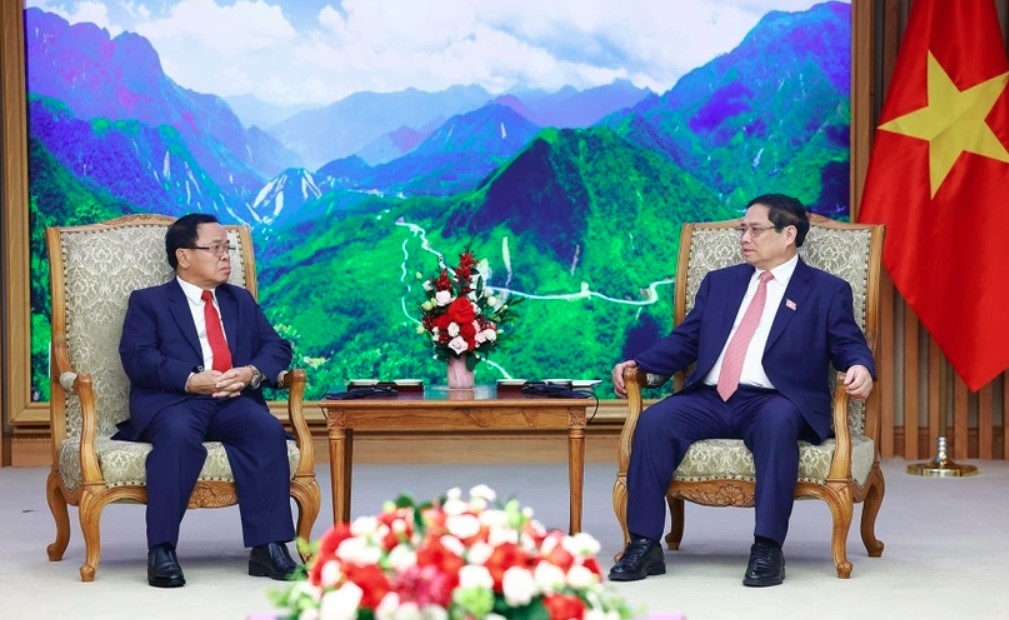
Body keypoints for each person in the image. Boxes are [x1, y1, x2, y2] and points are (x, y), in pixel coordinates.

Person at [608, 194, 874, 587]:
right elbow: (686, 341)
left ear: (788, 234)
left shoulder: (826, 290)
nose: (744, 237)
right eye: (742, 229)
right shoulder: (721, 283)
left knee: (777, 423)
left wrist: (860, 366)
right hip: (711, 397)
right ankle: (644, 544)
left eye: (755, 229)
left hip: (777, 399)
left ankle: (767, 548)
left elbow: (848, 342)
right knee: (654, 422)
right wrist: (640, 365)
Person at [115, 213, 299, 588]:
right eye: (214, 248)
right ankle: (162, 549)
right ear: (184, 256)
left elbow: (277, 346)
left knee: (266, 431)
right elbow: (138, 358)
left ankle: (269, 548)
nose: (225, 256)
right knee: (178, 438)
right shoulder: (149, 302)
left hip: (232, 401)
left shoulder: (239, 300)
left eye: (226, 247)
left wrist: (251, 373)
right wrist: (189, 380)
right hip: (176, 401)